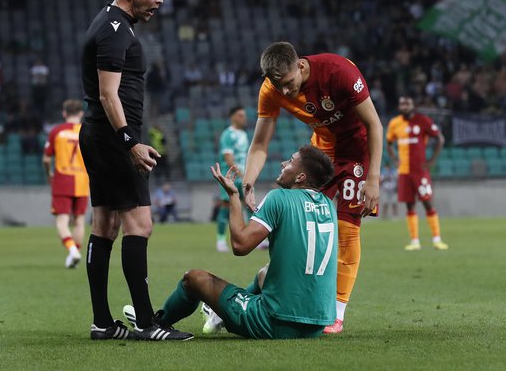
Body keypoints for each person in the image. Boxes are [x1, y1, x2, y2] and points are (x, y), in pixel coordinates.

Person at [78, 0, 191, 341]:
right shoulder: (114, 31)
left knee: (105, 226)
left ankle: (102, 323)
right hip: (113, 140)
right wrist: (129, 141)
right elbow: (109, 93)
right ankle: (145, 323)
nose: (159, 0)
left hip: (101, 136)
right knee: (139, 225)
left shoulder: (111, 23)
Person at [123, 145, 338, 339]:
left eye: (290, 161)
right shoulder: (329, 206)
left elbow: (240, 246)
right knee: (265, 273)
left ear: (300, 177)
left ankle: (156, 324)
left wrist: (233, 197)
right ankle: (219, 316)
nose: (283, 163)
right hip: (317, 324)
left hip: (276, 322)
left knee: (193, 279)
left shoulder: (279, 198)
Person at [242, 41, 384, 334]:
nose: (285, 92)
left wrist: (373, 178)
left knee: (347, 230)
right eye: (277, 86)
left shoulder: (338, 71)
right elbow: (259, 144)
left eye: (289, 83)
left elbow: (374, 125)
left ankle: (337, 313)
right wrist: (248, 180)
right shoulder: (272, 89)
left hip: (357, 152)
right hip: (322, 153)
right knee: (298, 232)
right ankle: (248, 298)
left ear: (301, 66)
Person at [386, 95, 449, 250]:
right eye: (402, 104)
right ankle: (415, 241)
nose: (404, 106)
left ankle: (436, 239)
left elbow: (440, 139)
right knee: (410, 205)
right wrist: (395, 160)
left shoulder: (423, 121)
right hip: (404, 171)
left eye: (407, 103)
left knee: (427, 203)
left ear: (413, 105)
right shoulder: (395, 123)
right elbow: (388, 143)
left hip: (420, 171)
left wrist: (431, 161)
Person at [42, 99, 89, 268]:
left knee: (62, 220)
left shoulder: (57, 132)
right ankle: (75, 254)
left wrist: (49, 174)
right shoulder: (88, 131)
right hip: (83, 180)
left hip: (63, 180)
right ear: (81, 113)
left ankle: (72, 250)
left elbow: (46, 159)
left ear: (64, 113)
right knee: (79, 220)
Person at [215, 106, 249, 252]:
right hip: (231, 177)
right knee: (225, 206)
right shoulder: (227, 134)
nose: (244, 118)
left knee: (249, 205)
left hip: (243, 176)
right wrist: (241, 174)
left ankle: (255, 239)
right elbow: (229, 158)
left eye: (244, 115)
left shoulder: (244, 134)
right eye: (240, 115)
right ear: (233, 117)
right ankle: (221, 241)